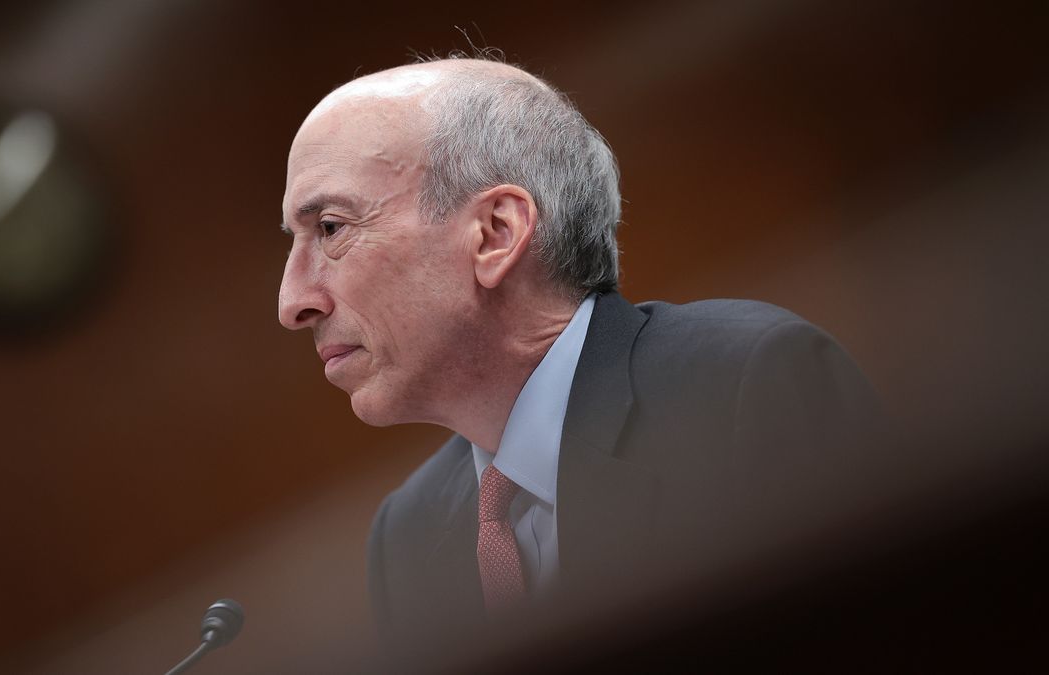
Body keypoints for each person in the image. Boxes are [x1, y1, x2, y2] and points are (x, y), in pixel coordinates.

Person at [277, 57, 880, 654]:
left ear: (494, 233)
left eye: (331, 228)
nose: (292, 301)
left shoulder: (744, 388)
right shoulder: (408, 535)